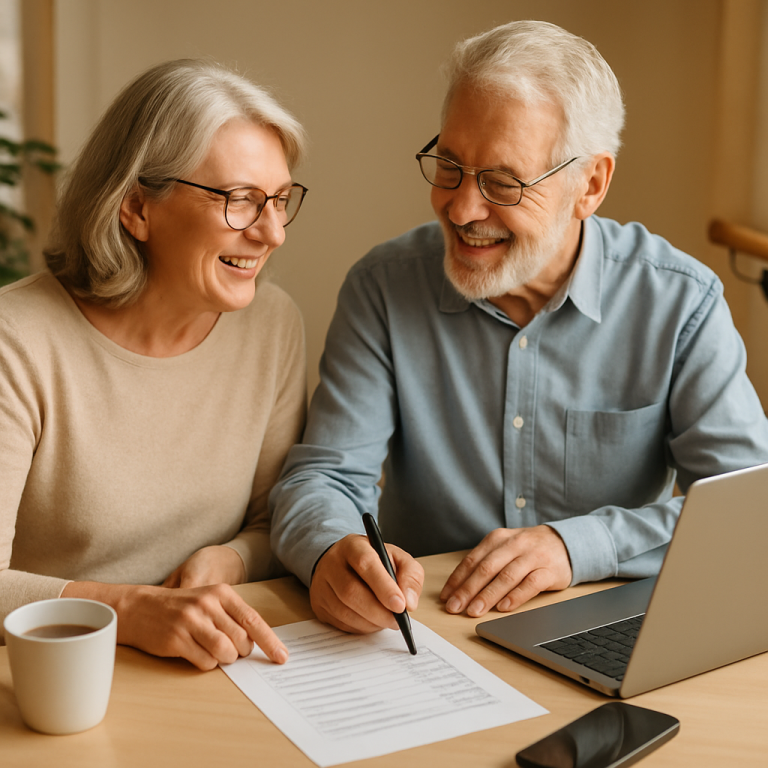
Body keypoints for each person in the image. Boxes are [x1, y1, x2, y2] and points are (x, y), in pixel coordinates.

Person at [269, 20, 768, 636]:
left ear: (590, 185)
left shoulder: (680, 304)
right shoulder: (383, 287)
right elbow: (325, 478)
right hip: (431, 636)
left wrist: (577, 547)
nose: (462, 207)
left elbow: (750, 517)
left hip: (608, 632)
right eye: (449, 166)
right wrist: (332, 552)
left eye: (503, 183)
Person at [0, 59, 309, 670]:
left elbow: (275, 521)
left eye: (278, 200)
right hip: (53, 681)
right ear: (137, 208)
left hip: (215, 670)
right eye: (241, 201)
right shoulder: (17, 338)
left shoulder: (273, 324)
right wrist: (129, 612)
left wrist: (234, 559)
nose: (272, 232)